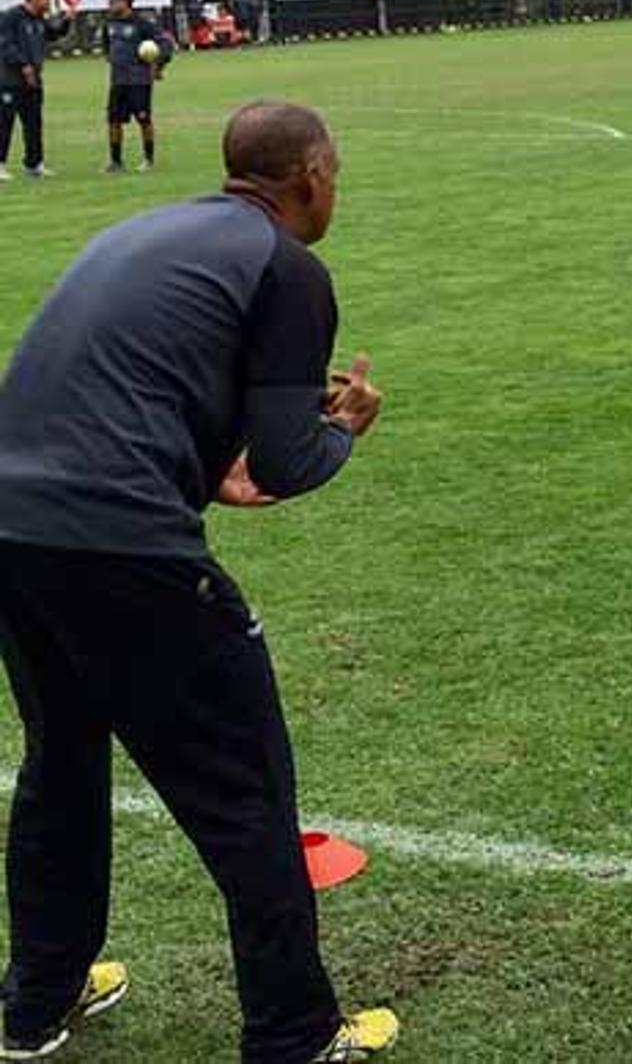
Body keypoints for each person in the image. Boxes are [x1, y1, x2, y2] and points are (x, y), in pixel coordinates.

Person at [0, 101, 399, 1064]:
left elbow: (147, 385)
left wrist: (209, 458)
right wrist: (344, 428)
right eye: (333, 175)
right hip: (122, 546)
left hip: (13, 529)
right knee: (247, 794)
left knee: (62, 762)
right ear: (308, 178)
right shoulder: (291, 269)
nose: (333, 191)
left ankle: (32, 1005)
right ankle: (295, 1035)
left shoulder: (148, 230)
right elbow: (288, 460)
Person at [0, 0, 72, 181]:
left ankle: (34, 164)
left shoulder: (39, 19)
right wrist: (23, 64)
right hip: (9, 81)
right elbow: (5, 44)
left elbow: (54, 34)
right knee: (4, 123)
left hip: (33, 82)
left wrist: (67, 20)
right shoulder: (11, 16)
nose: (48, 2)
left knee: (33, 123)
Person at [102, 0, 175, 174]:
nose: (110, 5)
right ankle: (116, 162)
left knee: (144, 120)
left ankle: (148, 160)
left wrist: (158, 66)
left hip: (139, 81)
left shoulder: (142, 24)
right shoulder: (109, 23)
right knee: (113, 120)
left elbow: (166, 43)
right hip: (117, 81)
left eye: (113, 1)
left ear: (124, 2)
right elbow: (107, 47)